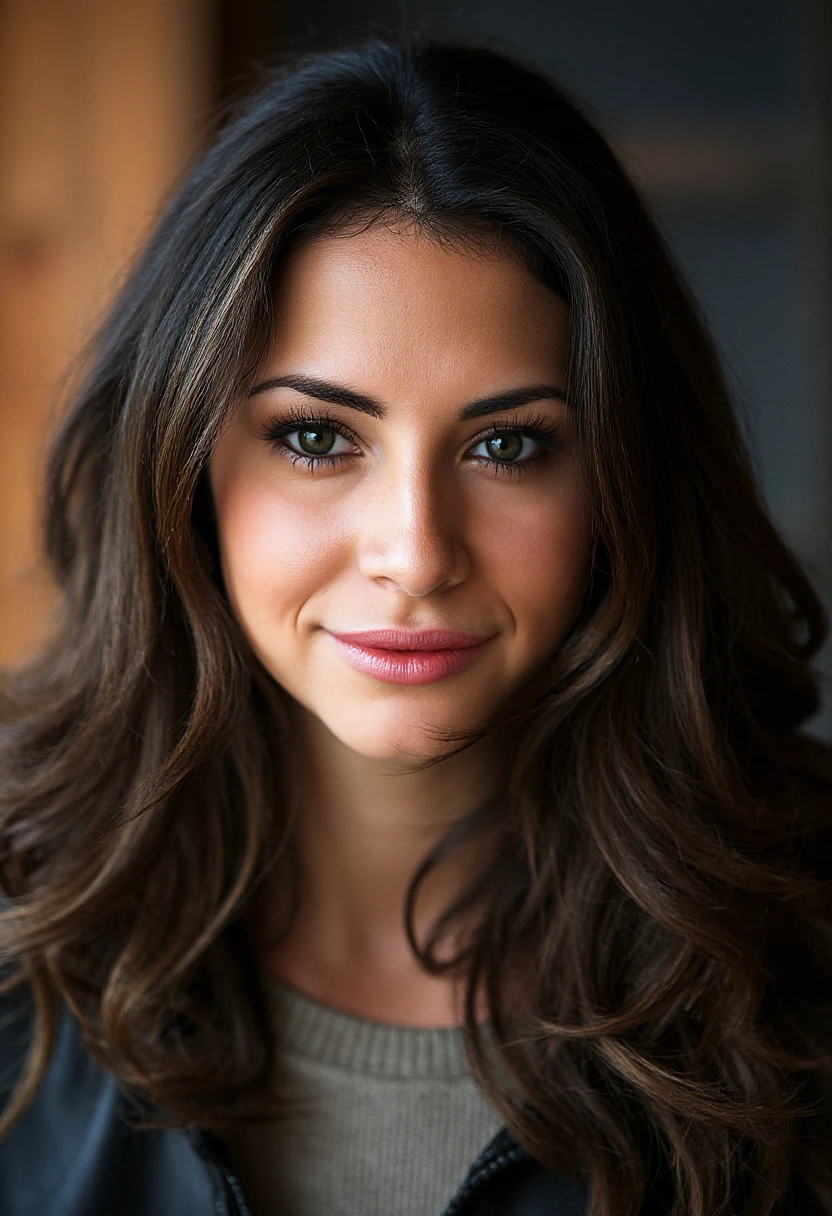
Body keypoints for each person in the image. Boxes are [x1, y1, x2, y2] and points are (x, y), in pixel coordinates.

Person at [0, 28, 830, 1216]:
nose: (416, 554)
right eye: (316, 436)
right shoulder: (15, 946)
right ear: (179, 464)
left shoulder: (800, 958)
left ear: (622, 480)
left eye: (506, 445)